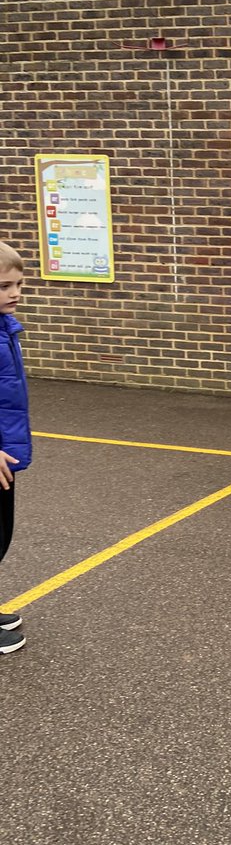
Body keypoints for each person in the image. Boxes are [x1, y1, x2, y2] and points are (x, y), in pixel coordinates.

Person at [0, 242, 31, 656]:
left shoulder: (5, 327)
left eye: (19, 284)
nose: (16, 292)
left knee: (1, 536)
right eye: (5, 285)